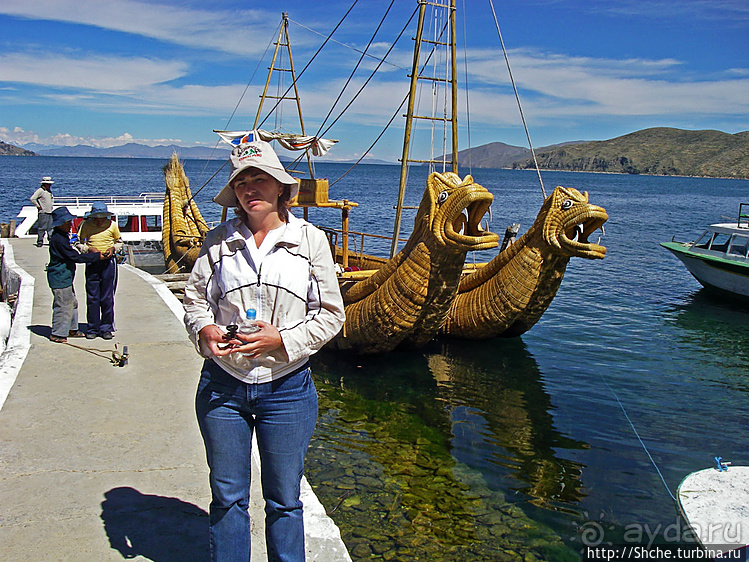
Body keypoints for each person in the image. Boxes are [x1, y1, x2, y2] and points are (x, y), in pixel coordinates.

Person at [183, 140, 345, 561]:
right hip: (224, 387)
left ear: (280, 189)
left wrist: (283, 341)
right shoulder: (217, 242)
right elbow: (196, 299)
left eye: (260, 179)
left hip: (287, 389)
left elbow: (331, 315)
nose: (250, 187)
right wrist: (203, 330)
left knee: (285, 499)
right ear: (234, 191)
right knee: (228, 496)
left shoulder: (311, 241)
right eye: (241, 181)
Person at [46, 207, 103, 343]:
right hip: (59, 277)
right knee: (63, 304)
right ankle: (58, 333)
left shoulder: (62, 236)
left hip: (65, 276)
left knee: (72, 303)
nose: (69, 225)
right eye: (66, 223)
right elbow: (73, 257)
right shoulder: (58, 239)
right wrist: (94, 257)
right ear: (59, 224)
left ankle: (72, 329)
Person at [77, 202, 123, 340]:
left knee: (107, 297)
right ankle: (92, 327)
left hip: (108, 263)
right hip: (92, 262)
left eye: (102, 218)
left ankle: (106, 327)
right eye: (96, 218)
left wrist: (113, 249)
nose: (99, 221)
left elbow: (119, 241)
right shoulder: (85, 225)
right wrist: (89, 250)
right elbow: (78, 242)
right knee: (92, 296)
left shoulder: (112, 225)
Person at [30, 176, 55, 247]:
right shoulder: (40, 191)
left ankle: (50, 241)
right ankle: (40, 241)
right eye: (48, 184)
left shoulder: (48, 191)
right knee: (42, 228)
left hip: (49, 212)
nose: (50, 185)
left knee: (50, 228)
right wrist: (38, 206)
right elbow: (32, 198)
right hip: (43, 212)